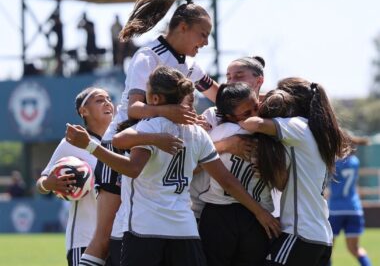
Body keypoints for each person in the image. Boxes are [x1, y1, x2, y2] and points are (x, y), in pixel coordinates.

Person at [66, 66, 281, 266]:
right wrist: (259, 212)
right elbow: (226, 180)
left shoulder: (151, 125)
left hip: (144, 228)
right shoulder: (197, 133)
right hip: (183, 229)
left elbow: (126, 156)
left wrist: (90, 146)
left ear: (155, 98)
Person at [84, 0, 219, 265]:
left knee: (134, 238)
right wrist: (172, 111)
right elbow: (134, 109)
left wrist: (255, 98)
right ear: (183, 27)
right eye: (202, 34)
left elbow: (218, 94)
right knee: (104, 239)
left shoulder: (190, 66)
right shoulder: (148, 56)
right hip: (123, 146)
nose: (205, 42)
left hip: (153, 152)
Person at [238, 78, 351, 266]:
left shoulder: (298, 126)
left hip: (301, 233)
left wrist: (237, 119)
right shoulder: (317, 132)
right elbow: (285, 183)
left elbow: (255, 124)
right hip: (320, 236)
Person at [36, 87, 114, 266]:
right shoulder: (72, 143)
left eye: (108, 98)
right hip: (84, 239)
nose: (107, 102)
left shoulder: (120, 140)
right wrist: (48, 183)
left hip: (118, 238)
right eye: (99, 100)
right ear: (83, 111)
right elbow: (41, 182)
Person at [198, 82, 274, 266]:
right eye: (247, 114)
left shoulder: (215, 134)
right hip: (239, 215)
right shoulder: (272, 133)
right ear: (230, 116)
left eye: (256, 107)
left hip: (228, 215)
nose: (254, 115)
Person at [328, 135, 372, 266]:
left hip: (336, 209)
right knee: (355, 249)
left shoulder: (334, 162)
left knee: (327, 249)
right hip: (354, 209)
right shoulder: (355, 162)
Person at [46, 10, 63, 75]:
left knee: (58, 58)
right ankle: (58, 71)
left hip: (59, 44)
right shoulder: (57, 26)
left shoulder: (58, 26)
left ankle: (58, 71)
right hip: (58, 44)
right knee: (58, 58)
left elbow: (49, 32)